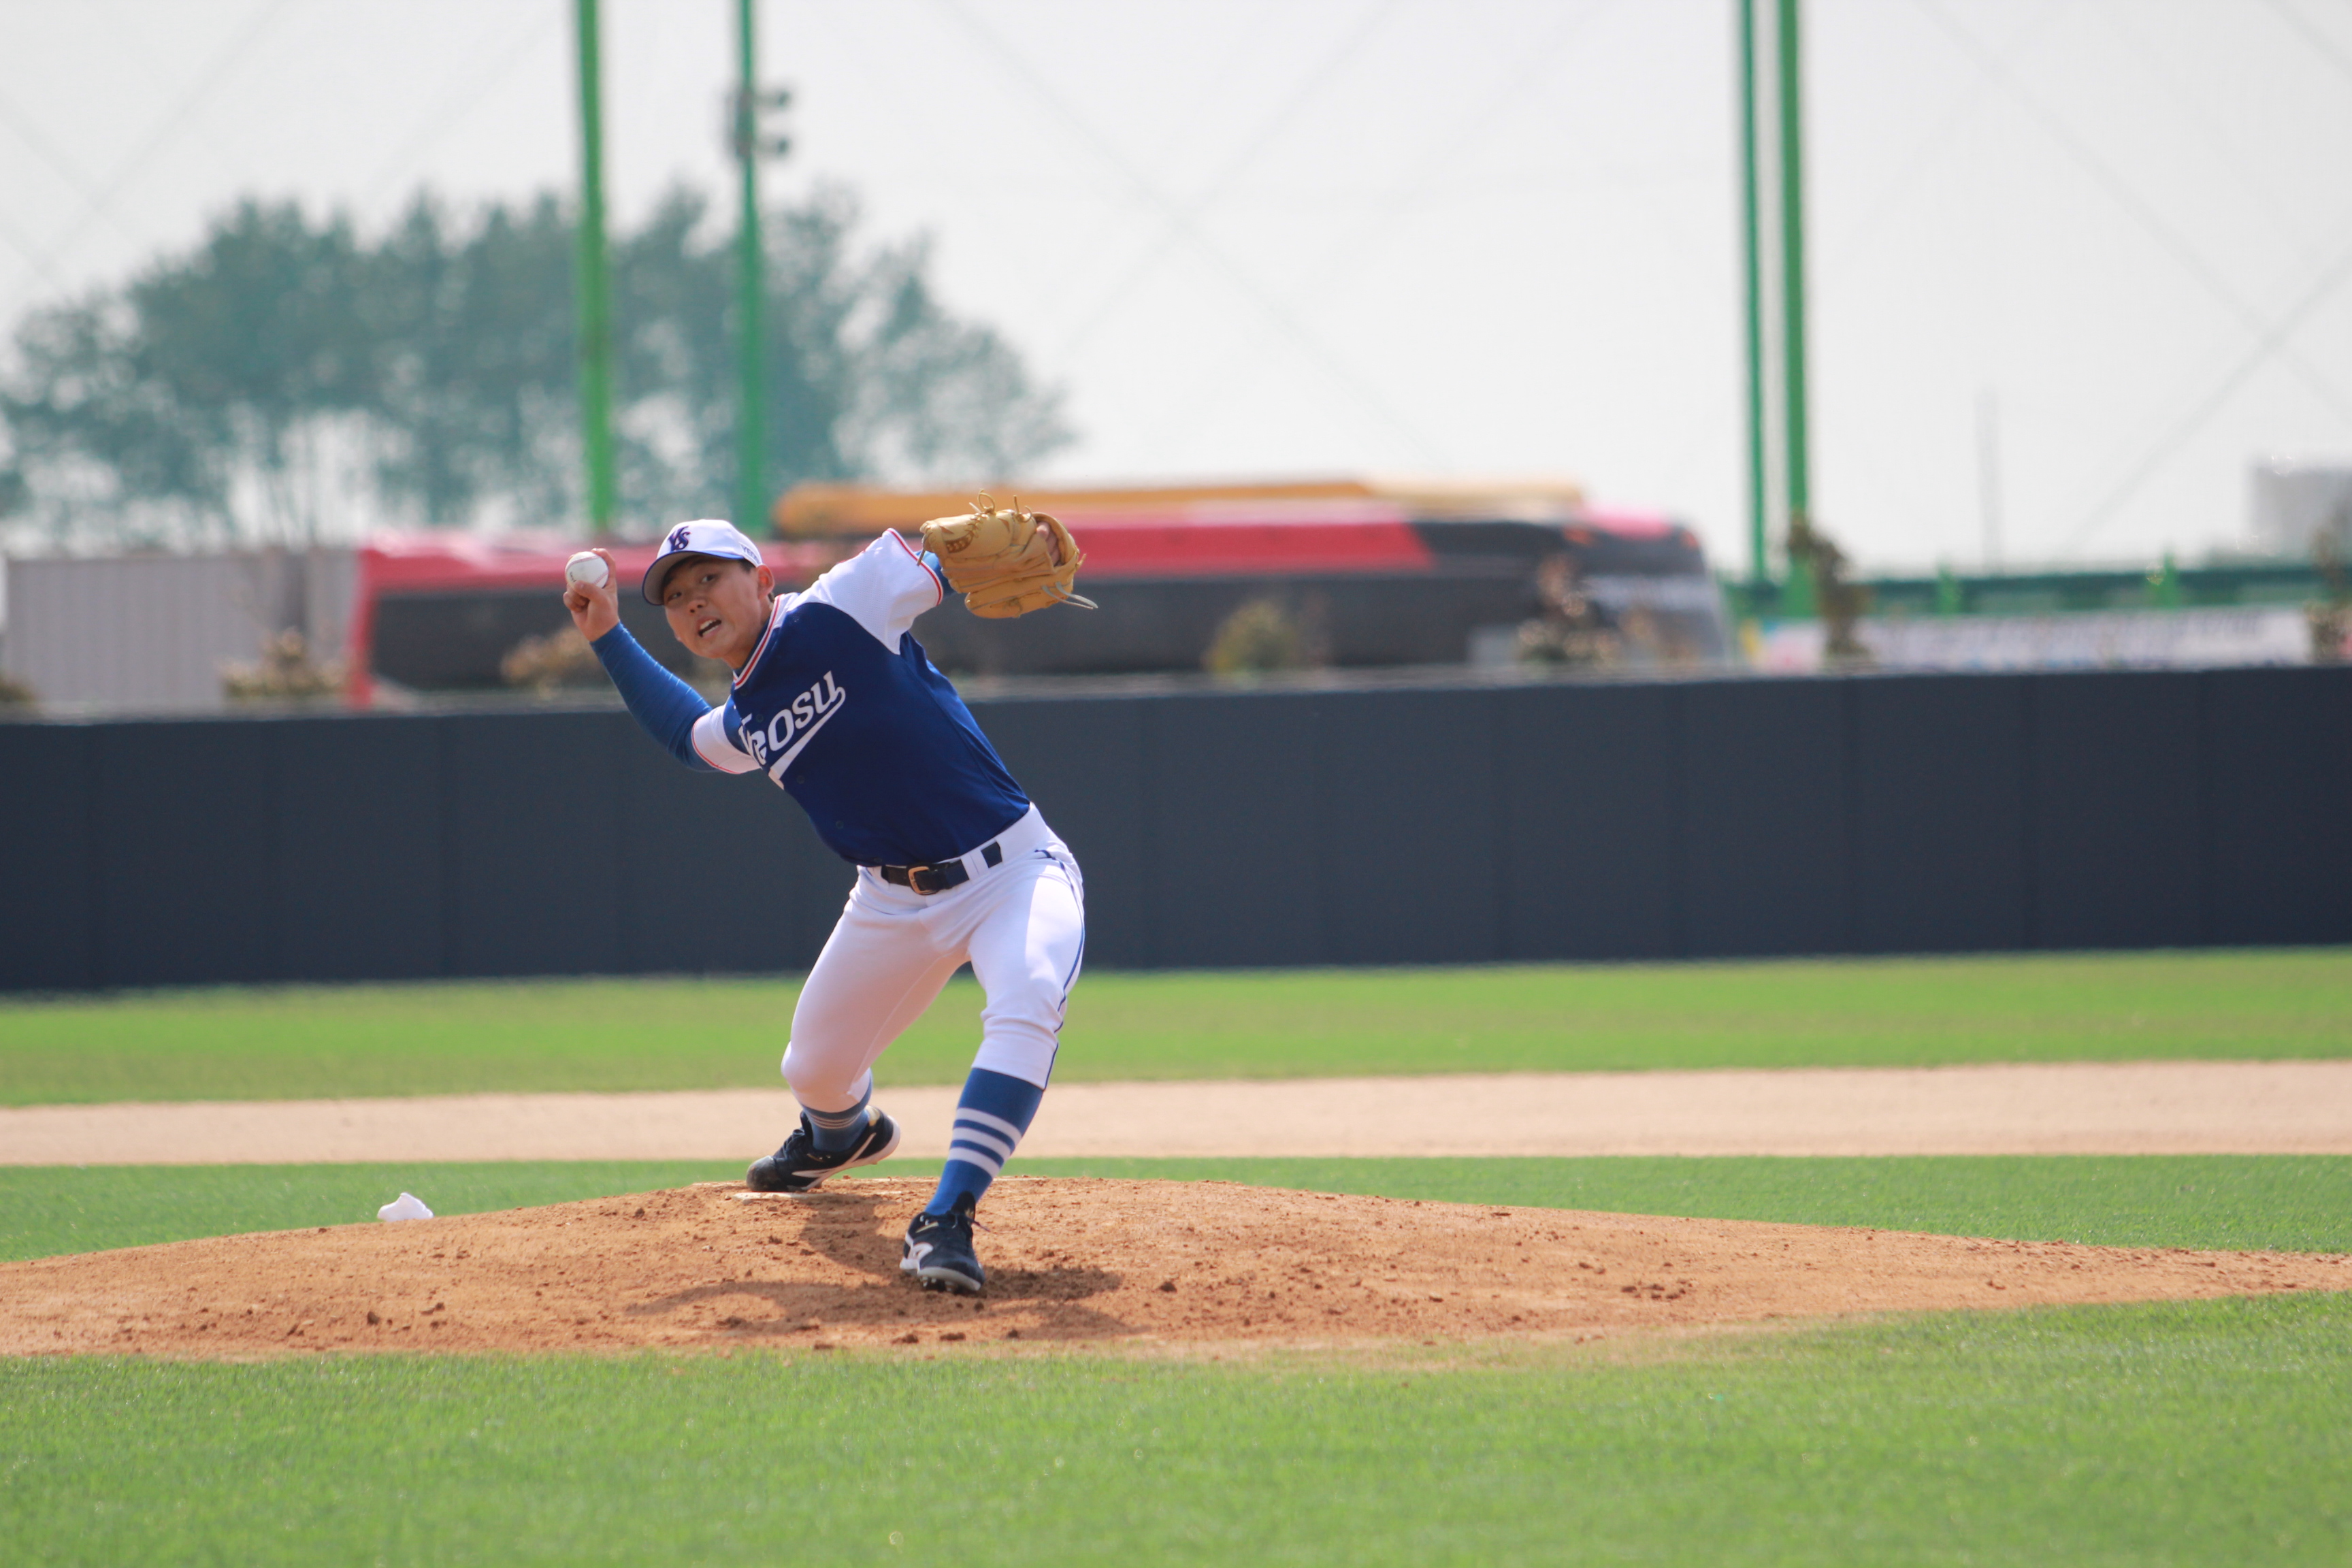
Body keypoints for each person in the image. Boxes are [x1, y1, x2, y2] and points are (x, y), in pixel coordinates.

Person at [561, 519, 1085, 1295]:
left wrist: (994, 547)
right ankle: (841, 1138)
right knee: (813, 1069)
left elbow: (948, 557)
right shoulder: (747, 716)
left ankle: (947, 1218)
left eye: (709, 578)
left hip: (1013, 872)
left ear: (762, 580)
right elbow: (687, 736)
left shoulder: (842, 604)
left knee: (1029, 996)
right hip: (890, 902)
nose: (693, 601)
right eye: (675, 596)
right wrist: (606, 633)